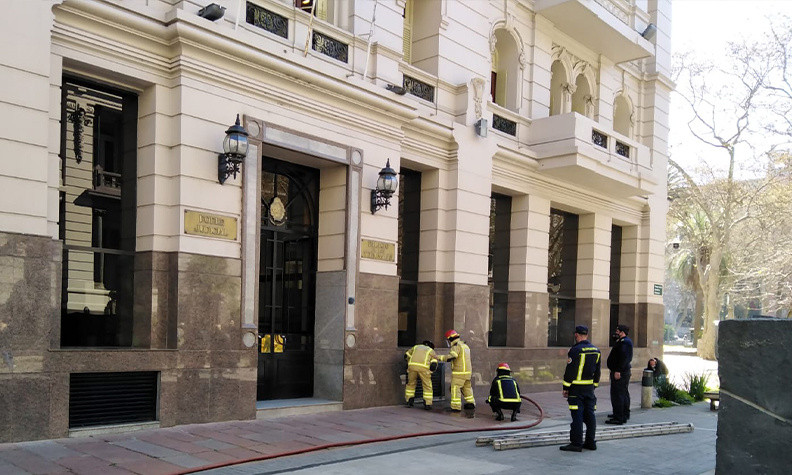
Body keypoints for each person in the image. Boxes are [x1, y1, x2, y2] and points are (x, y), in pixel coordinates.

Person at [560, 325, 601, 452]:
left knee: (577, 416)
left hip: (576, 389)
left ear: (576, 335)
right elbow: (597, 371)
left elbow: (570, 371)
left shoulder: (575, 350)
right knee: (590, 415)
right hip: (589, 388)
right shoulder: (596, 350)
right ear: (587, 335)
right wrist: (594, 385)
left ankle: (576, 443)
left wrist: (566, 387)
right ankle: (590, 442)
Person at [438, 329, 475, 412]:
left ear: (450, 338)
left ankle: (456, 407)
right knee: (467, 388)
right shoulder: (465, 346)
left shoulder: (456, 346)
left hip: (459, 373)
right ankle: (471, 403)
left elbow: (452, 356)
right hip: (467, 372)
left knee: (455, 388)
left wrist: (439, 357)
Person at [606, 324, 633, 425]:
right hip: (620, 371)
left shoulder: (625, 342)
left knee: (618, 395)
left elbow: (624, 358)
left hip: (620, 372)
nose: (615, 333)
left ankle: (619, 417)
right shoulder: (622, 341)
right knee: (623, 393)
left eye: (617, 331)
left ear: (622, 332)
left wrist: (618, 370)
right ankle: (622, 413)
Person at [404, 340, 438, 410]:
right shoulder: (431, 350)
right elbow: (434, 364)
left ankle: (409, 401)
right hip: (424, 369)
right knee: (427, 385)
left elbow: (406, 356)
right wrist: (432, 370)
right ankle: (427, 404)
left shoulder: (416, 347)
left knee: (410, 384)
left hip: (412, 367)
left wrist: (409, 363)